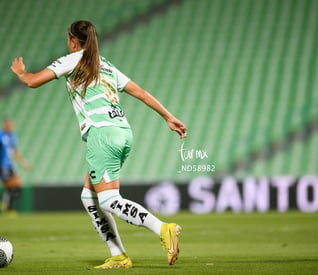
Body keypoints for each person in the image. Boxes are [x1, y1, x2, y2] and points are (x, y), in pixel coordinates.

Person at [11, 20, 187, 268]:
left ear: (73, 40)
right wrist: (168, 117)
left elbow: (32, 81)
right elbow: (141, 92)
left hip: (101, 134)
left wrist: (20, 72)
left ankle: (163, 228)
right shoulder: (106, 65)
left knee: (108, 200)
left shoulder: (73, 59)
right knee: (89, 196)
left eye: (68, 39)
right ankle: (118, 255)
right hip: (123, 132)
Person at [0, 118, 31, 215]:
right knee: (11, 185)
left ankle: (5, 204)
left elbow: (15, 152)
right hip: (1, 165)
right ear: (4, 125)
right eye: (7, 125)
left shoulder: (13, 136)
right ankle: (7, 208)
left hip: (9, 165)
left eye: (11, 125)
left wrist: (24, 163)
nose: (9, 126)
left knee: (18, 185)